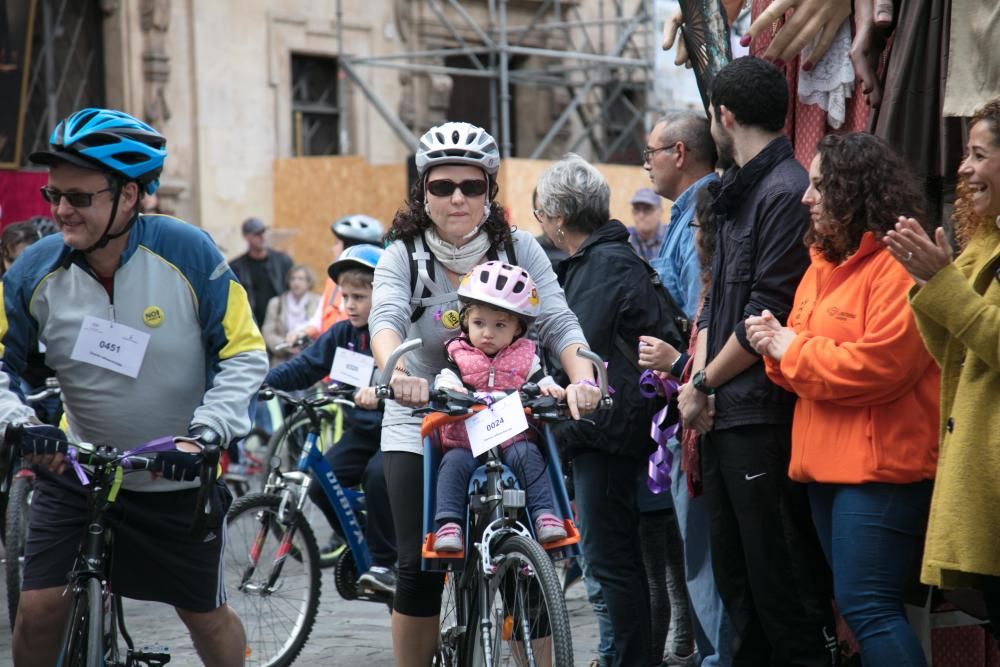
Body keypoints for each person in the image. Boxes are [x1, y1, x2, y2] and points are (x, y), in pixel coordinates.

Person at [0, 107, 266, 666]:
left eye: (79, 197)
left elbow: (243, 351)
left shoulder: (189, 252)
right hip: (78, 473)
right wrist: (21, 422)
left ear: (130, 195)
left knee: (205, 616)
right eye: (54, 195)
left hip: (173, 477)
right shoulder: (34, 273)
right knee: (38, 611)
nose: (62, 210)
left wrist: (207, 431)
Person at [369, 121, 600, 667]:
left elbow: (559, 323)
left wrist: (584, 379)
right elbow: (386, 318)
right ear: (422, 190)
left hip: (507, 412)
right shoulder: (402, 253)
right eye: (442, 185)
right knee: (417, 563)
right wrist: (395, 370)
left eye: (471, 187)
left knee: (532, 556)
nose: (456, 198)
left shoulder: (519, 248)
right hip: (424, 411)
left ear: (489, 193)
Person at [747, 132, 940, 665]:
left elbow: (880, 368)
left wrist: (792, 348)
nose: (807, 198)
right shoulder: (819, 265)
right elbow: (805, 363)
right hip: (825, 471)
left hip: (880, 471)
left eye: (818, 185)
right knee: (861, 610)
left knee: (870, 610)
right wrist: (775, 345)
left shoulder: (897, 266)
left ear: (852, 190)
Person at [678, 57, 835, 665]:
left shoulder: (785, 189)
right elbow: (716, 298)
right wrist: (700, 386)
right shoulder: (737, 189)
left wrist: (701, 383)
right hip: (726, 415)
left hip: (761, 418)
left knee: (781, 591)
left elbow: (767, 312)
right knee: (739, 590)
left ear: (724, 116)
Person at [534, 153, 682, 666]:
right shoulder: (609, 257)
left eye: (540, 215)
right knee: (622, 563)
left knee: (611, 563)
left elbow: (581, 351)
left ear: (557, 216)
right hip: (618, 431)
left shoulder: (601, 265)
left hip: (608, 432)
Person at [884, 97, 1000, 648]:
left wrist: (944, 286)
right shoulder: (985, 242)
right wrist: (931, 286)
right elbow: (955, 355)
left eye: (978, 154)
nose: (963, 168)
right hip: (981, 475)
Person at [640, 110, 731, 667]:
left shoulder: (702, 213)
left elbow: (704, 316)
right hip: (687, 400)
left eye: (650, 151)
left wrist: (680, 366)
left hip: (698, 406)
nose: (645, 163)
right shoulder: (687, 213)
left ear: (679, 153)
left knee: (704, 559)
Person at [264, 243, 397, 593]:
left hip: (396, 431)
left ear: (382, 295)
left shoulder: (398, 334)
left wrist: (383, 393)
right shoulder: (343, 335)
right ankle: (364, 542)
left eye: (359, 297)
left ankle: (386, 563)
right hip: (362, 433)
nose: (349, 305)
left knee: (377, 477)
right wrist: (261, 382)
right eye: (345, 297)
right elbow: (306, 366)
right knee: (321, 482)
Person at [431, 261, 568, 552]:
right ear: (466, 321)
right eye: (479, 323)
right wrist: (450, 388)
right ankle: (449, 523)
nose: (488, 333)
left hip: (513, 436)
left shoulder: (525, 357)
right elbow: (445, 378)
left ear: (518, 328)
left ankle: (545, 515)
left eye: (500, 325)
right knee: (453, 464)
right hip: (466, 441)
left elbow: (540, 379)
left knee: (529, 456)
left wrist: (549, 387)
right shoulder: (459, 354)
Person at [294, 213, 385, 340]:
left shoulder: (377, 281)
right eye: (345, 296)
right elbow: (319, 319)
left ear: (351, 246)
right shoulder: (332, 282)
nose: (333, 249)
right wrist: (302, 332)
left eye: (336, 243)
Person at [230, 215, 294, 327]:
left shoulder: (283, 261)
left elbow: (293, 290)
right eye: (257, 234)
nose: (262, 237)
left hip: (279, 324)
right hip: (252, 325)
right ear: (246, 237)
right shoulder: (237, 268)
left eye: (264, 232)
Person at [261, 264, 321, 364]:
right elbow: (268, 332)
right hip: (281, 360)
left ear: (309, 282)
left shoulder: (318, 302)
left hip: (309, 360)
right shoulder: (276, 303)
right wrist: (287, 345)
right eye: (293, 278)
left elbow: (320, 329)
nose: (296, 282)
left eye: (301, 279)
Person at [627, 187, 666, 261]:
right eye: (636, 209)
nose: (641, 215)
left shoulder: (672, 239)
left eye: (647, 209)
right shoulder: (625, 239)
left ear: (660, 212)